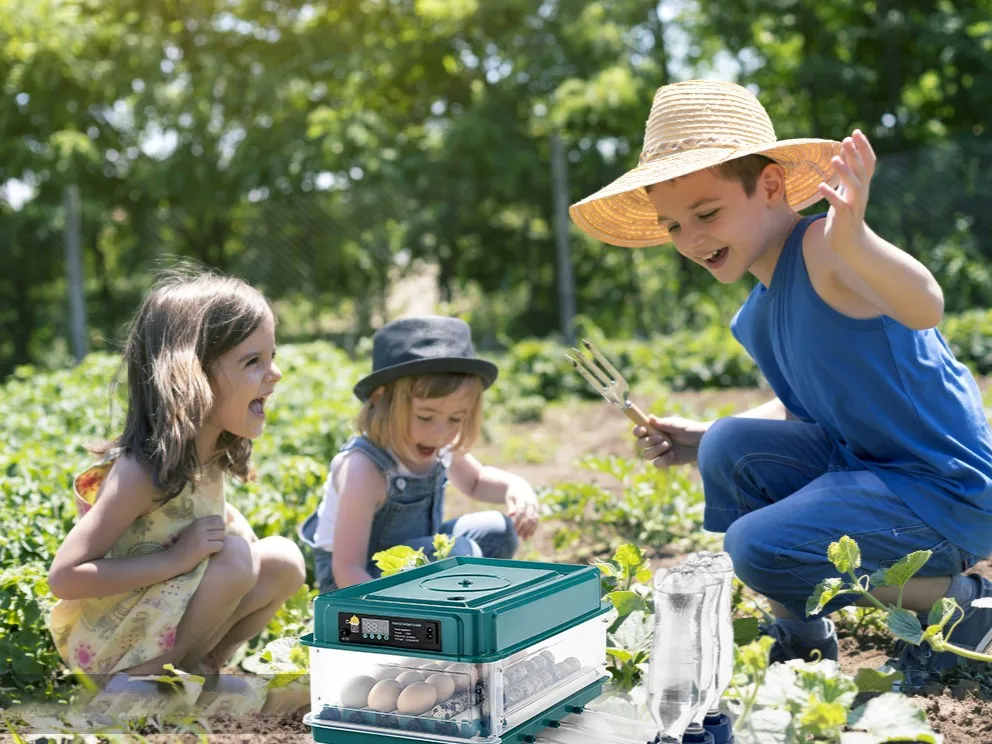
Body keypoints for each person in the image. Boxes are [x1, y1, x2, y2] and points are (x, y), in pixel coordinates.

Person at [568, 79, 992, 685]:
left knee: (756, 546)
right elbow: (803, 409)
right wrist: (701, 436)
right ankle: (803, 634)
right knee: (727, 447)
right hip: (871, 477)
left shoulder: (825, 247)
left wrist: (856, 237)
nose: (690, 240)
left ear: (769, 186)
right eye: (672, 227)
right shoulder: (757, 315)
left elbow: (925, 305)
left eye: (707, 214)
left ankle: (963, 602)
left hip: (941, 495)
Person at [47, 269, 306, 685]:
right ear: (193, 375)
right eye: (253, 361)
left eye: (271, 356)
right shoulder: (141, 471)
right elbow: (65, 576)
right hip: (115, 645)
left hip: (165, 621)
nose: (274, 373)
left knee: (282, 560)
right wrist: (174, 559)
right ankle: (141, 683)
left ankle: (202, 668)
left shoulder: (211, 453)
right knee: (238, 559)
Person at [299, 315, 540, 592]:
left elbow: (475, 481)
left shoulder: (440, 446)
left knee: (498, 530)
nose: (440, 432)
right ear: (381, 401)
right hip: (356, 586)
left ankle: (455, 607)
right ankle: (451, 615)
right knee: (458, 553)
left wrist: (516, 487)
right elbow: (347, 569)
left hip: (415, 561)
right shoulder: (364, 469)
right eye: (425, 417)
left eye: (456, 419)